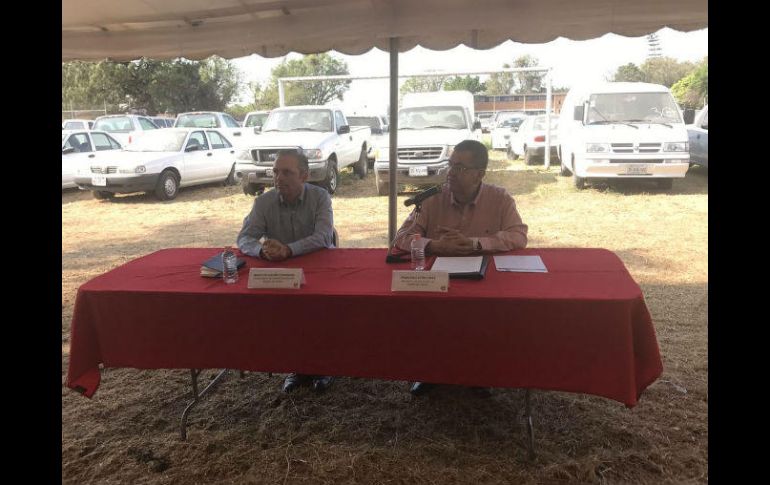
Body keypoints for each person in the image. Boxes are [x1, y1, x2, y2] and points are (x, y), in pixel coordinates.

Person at [393, 139, 528, 396]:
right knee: (427, 317)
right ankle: (430, 372)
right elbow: (401, 238)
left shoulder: (499, 199)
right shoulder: (432, 199)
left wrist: (475, 243)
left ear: (480, 174)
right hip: (437, 280)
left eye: (460, 168)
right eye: (450, 165)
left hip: (482, 281)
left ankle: (478, 374)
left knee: (484, 320)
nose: (450, 173)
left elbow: (518, 236)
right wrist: (435, 245)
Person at [237, 149, 336, 393]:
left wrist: (289, 250)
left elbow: (324, 237)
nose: (278, 178)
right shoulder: (263, 202)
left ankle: (325, 366)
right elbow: (245, 238)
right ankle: (296, 367)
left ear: (304, 175)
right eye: (275, 172)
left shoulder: (320, 197)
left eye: (287, 173)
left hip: (320, 270)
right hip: (282, 272)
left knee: (320, 313)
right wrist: (262, 252)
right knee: (285, 315)